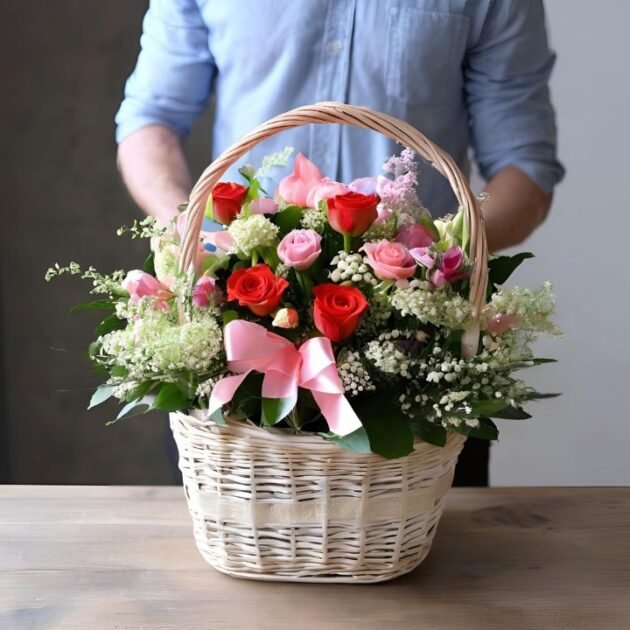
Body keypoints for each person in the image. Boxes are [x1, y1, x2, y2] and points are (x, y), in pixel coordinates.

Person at [115, 0, 564, 486]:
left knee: (439, 551)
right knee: (226, 547)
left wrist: (443, 259)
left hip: (413, 356)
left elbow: (525, 166)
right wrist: (187, 231)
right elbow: (150, 118)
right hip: (236, 339)